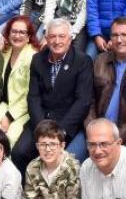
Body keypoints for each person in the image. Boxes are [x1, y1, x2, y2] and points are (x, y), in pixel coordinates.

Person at [11, 19, 93, 172]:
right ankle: (29, 190)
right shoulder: (38, 59)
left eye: (62, 36)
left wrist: (60, 131)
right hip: (41, 120)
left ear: (70, 38)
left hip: (67, 123)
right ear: (47, 39)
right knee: (19, 153)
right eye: (52, 36)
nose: (57, 41)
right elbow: (33, 97)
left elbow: (83, 101)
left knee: (60, 164)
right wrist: (41, 127)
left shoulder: (83, 61)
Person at [86, 17, 126, 148]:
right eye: (115, 35)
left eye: (124, 35)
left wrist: (117, 136)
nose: (119, 40)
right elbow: (89, 100)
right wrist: (92, 129)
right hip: (94, 132)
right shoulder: (100, 60)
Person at [0, 16, 39, 146]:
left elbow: (30, 94)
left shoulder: (32, 57)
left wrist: (9, 117)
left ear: (29, 36)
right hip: (6, 104)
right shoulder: (7, 51)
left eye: (22, 32)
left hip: (23, 109)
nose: (17, 35)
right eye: (14, 31)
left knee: (7, 141)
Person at [23, 120, 82, 199]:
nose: (48, 149)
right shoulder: (32, 168)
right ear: (37, 146)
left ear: (62, 146)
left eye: (53, 144)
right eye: (43, 144)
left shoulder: (73, 168)